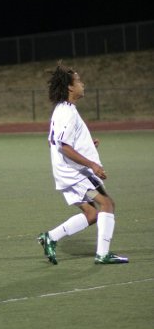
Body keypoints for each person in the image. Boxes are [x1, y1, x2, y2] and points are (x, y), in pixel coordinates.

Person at [38, 63, 128, 265]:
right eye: (78, 81)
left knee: (92, 214)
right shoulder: (67, 113)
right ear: (70, 87)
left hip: (66, 173)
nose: (82, 84)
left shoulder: (63, 109)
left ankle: (50, 238)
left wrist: (87, 145)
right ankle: (103, 254)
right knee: (107, 204)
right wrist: (92, 164)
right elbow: (64, 146)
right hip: (75, 174)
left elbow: (54, 142)